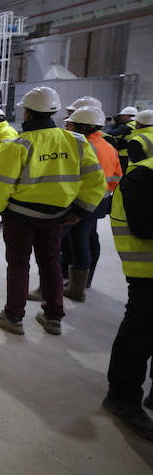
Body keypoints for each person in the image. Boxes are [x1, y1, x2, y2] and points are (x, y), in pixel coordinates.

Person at [0, 87, 105, 336]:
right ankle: (53, 317)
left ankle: (13, 317)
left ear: (27, 114)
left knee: (18, 265)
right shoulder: (77, 141)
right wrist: (80, 211)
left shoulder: (20, 144)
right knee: (51, 263)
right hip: (57, 216)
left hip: (19, 216)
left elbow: (2, 184)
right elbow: (96, 182)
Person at [27, 106, 122, 303]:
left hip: (74, 204)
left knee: (52, 247)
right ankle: (77, 289)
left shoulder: (80, 145)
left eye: (70, 125)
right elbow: (116, 177)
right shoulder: (108, 146)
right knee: (81, 243)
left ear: (82, 126)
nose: (67, 128)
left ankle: (46, 289)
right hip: (96, 204)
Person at [102, 155, 153, 441]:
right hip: (148, 271)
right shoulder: (142, 176)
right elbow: (143, 226)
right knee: (139, 336)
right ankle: (122, 396)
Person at [108, 106, 138, 172]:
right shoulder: (136, 124)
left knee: (121, 172)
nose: (120, 118)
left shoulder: (127, 126)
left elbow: (110, 133)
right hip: (131, 153)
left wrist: (112, 124)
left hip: (124, 155)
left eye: (122, 116)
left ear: (129, 116)